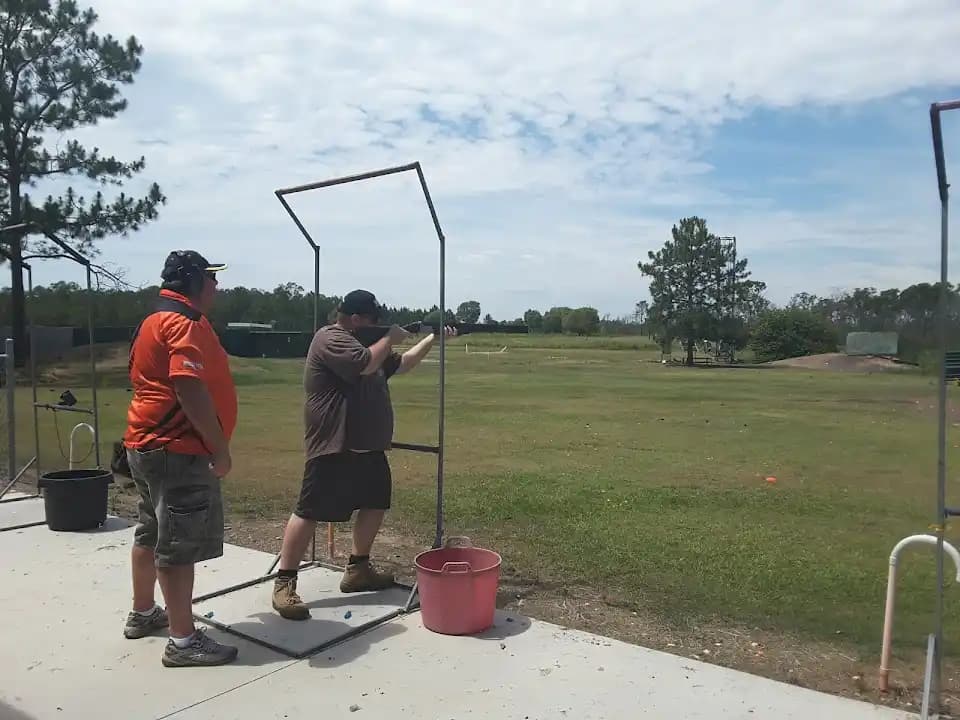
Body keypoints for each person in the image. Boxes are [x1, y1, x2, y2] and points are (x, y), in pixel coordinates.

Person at [272, 289, 454, 620]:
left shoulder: (362, 345)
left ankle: (358, 568)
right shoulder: (331, 338)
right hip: (334, 444)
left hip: (367, 446)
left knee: (375, 502)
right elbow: (364, 364)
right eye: (374, 320)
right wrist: (391, 336)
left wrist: (433, 337)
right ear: (355, 319)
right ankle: (284, 582)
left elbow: (403, 364)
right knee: (309, 510)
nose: (379, 325)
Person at [121, 250, 239, 667]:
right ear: (193, 281)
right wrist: (219, 448)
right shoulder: (181, 322)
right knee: (177, 546)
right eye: (210, 277)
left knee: (151, 531)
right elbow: (188, 386)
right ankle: (183, 642)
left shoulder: (154, 318)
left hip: (149, 445)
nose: (216, 286)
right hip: (177, 450)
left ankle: (144, 612)